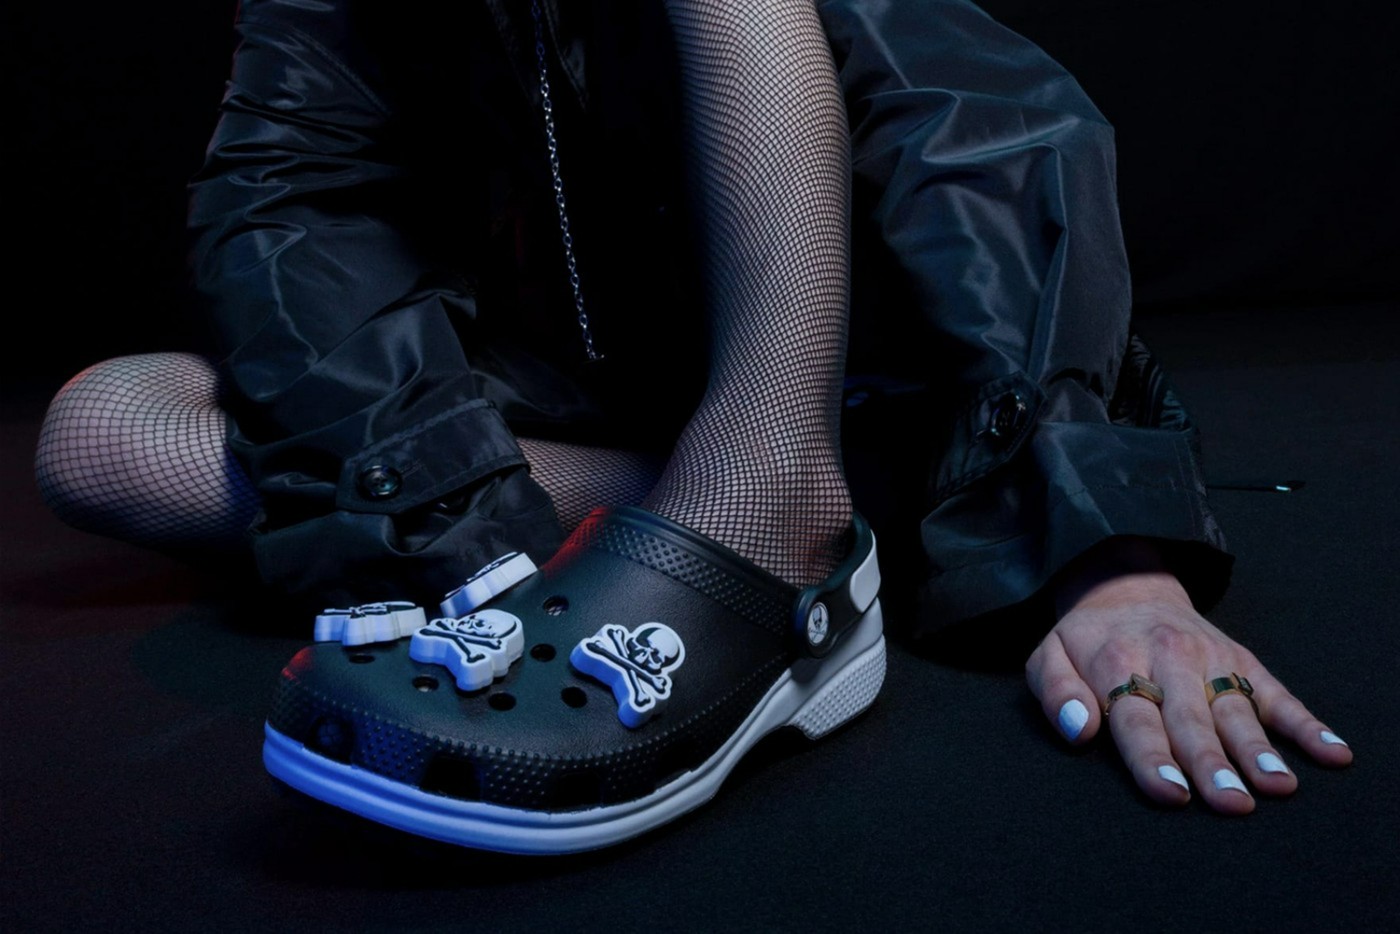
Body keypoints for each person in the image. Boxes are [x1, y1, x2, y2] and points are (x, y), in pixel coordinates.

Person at [35, 0, 1350, 848]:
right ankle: (850, 507)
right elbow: (297, 199)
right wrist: (466, 537)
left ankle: (776, 495)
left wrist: (1106, 553)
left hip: (848, 348)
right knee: (107, 427)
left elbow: (983, 128)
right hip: (594, 388)